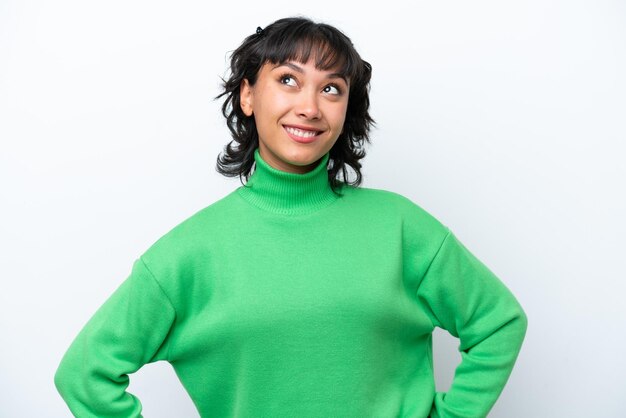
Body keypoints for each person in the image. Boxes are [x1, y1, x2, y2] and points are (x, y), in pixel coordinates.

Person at [54, 16, 527, 418]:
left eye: (331, 88)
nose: (310, 106)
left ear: (346, 109)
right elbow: (85, 374)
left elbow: (498, 323)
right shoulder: (187, 254)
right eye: (287, 80)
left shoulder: (402, 227)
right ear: (247, 95)